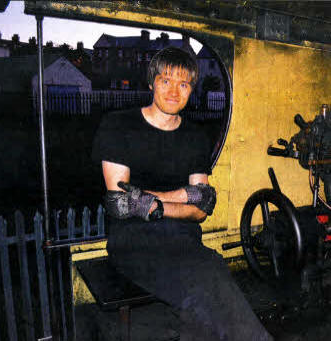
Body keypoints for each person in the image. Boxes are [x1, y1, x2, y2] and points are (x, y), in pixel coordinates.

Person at [92, 46, 273, 340]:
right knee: (201, 288)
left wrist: (155, 204)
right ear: (151, 82)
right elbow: (121, 204)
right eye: (166, 81)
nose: (174, 91)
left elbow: (202, 207)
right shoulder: (119, 125)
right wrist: (184, 196)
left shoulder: (195, 136)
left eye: (184, 84)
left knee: (209, 278)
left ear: (191, 90)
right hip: (134, 242)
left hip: (183, 239)